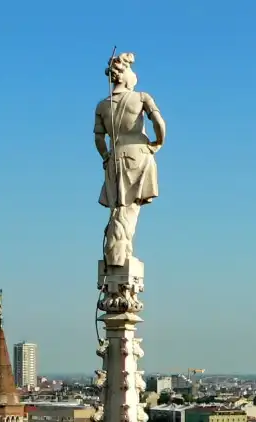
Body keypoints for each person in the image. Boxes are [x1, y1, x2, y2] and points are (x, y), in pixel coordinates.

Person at [94, 52, 166, 267]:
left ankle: (116, 251)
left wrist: (106, 155)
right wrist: (158, 143)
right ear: (125, 74)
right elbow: (159, 123)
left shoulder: (102, 106)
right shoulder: (142, 97)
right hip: (138, 154)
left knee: (118, 208)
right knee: (130, 208)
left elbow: (98, 138)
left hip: (115, 156)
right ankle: (120, 254)